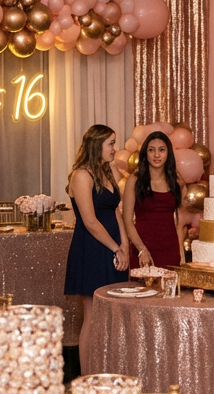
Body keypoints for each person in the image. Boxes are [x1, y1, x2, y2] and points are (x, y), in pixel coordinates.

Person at [64, 124, 129, 370]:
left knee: (113, 314)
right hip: (91, 248)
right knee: (92, 315)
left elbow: (115, 211)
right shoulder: (81, 175)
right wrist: (116, 248)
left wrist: (124, 244)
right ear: (96, 144)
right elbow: (90, 221)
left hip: (113, 247)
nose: (115, 148)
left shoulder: (108, 171)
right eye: (111, 143)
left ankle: (108, 371)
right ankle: (87, 377)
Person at [122, 130, 186, 269]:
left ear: (168, 153)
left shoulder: (176, 181)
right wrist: (142, 250)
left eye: (161, 150)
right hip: (142, 250)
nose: (157, 155)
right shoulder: (134, 180)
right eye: (151, 150)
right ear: (145, 153)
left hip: (170, 249)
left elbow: (180, 222)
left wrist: (181, 252)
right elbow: (127, 221)